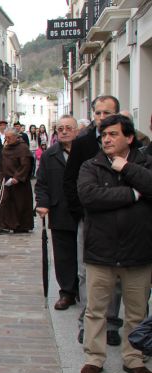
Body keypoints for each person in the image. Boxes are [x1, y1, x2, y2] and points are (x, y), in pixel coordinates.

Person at [77, 114, 152, 373]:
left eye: (113, 134)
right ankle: (94, 358)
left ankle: (134, 358)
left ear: (129, 138)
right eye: (104, 135)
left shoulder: (144, 163)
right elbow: (89, 197)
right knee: (96, 310)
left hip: (138, 251)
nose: (107, 139)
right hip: (101, 250)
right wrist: (132, 195)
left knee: (136, 311)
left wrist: (128, 170)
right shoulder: (92, 165)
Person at [63, 95, 124, 345]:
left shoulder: (131, 140)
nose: (101, 118)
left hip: (121, 221)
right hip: (89, 219)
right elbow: (70, 181)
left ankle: (111, 324)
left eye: (106, 113)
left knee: (118, 274)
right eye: (97, 113)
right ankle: (87, 323)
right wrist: (81, 211)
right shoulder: (83, 143)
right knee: (87, 273)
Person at [35, 115, 79, 311]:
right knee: (63, 254)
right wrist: (42, 204)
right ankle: (67, 291)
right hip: (60, 210)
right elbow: (42, 183)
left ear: (76, 131)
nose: (64, 131)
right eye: (60, 128)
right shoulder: (49, 155)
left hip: (84, 210)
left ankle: (83, 289)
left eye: (68, 128)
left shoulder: (86, 153)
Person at [0, 128, 34, 234]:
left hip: (19, 182)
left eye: (9, 137)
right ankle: (4, 225)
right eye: (6, 137)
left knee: (20, 204)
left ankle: (21, 226)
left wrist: (17, 177)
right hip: (6, 180)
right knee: (5, 202)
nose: (7, 139)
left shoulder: (23, 148)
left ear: (16, 137)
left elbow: (25, 165)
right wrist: (0, 177)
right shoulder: (5, 147)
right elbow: (2, 164)